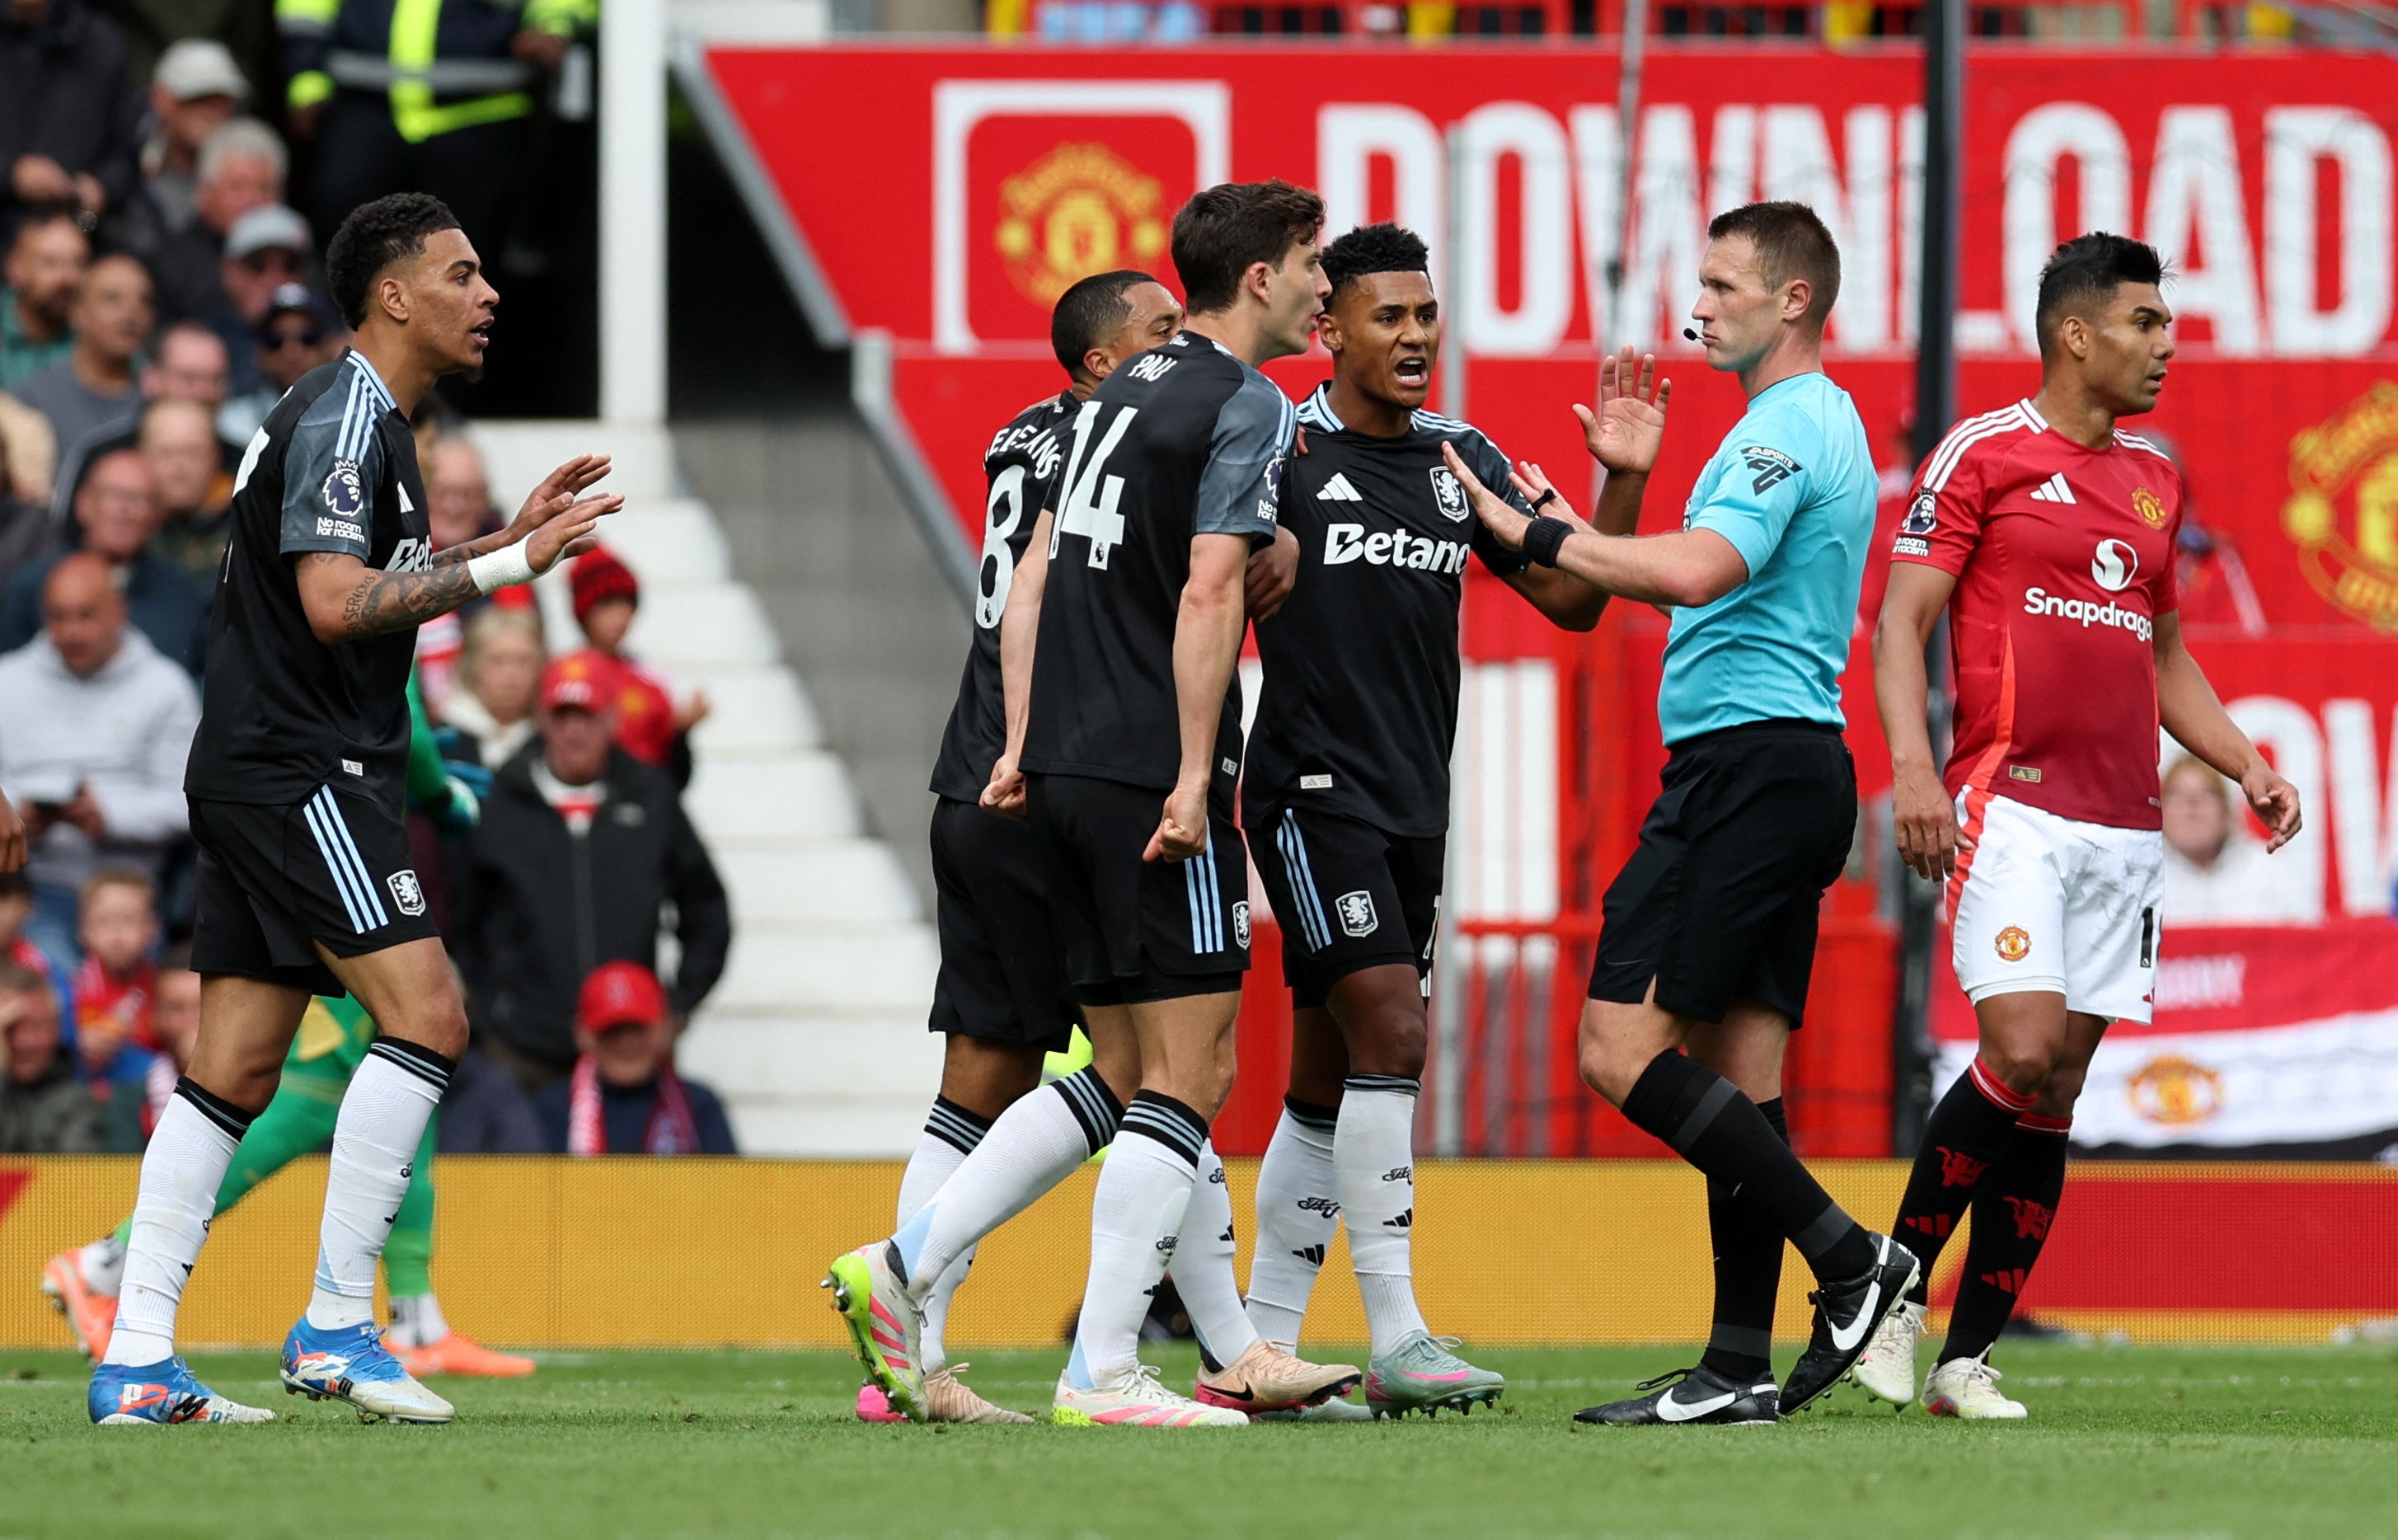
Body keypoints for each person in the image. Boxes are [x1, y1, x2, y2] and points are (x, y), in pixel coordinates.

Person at [85, 190, 617, 1428]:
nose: (488, 296)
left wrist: (498, 537)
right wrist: (506, 565)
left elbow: (348, 587)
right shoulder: (344, 414)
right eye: (462, 273)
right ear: (393, 293)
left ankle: (139, 1355)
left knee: (234, 1066)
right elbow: (334, 603)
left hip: (266, 763)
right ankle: (335, 1325)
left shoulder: (363, 423)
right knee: (428, 1017)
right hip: (303, 770)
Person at [834, 180, 1342, 1431]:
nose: (1323, 284)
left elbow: (1038, 570)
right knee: (1194, 1065)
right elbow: (1211, 591)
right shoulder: (1246, 399)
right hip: (1140, 770)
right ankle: (1099, 1368)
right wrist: (1187, 774)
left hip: (1055, 762)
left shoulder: (1113, 393)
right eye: (1312, 262)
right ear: (1262, 278)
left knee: (1117, 1069)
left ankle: (903, 1273)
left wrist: (1021, 742)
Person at [1443, 200, 1912, 1425]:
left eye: (1720, 284)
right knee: (1741, 1083)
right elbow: (1652, 586)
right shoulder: (1793, 425)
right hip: (1784, 769)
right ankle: (1735, 1367)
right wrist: (1618, 487)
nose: (1695, 304)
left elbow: (1693, 573)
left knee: (1614, 1051)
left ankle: (1854, 1260)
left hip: (1744, 776)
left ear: (1793, 300)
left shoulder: (1788, 427)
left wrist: (1533, 526)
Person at [1853, 232, 2303, 1421]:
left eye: (2164, 324)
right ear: (2075, 334)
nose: (2165, 346)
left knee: (2056, 1094)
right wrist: (1913, 771)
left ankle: (1965, 1360)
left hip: (2124, 833)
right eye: (2144, 323)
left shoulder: (2154, 476)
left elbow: (2163, 658)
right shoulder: (1984, 455)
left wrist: (2246, 764)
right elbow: (1901, 626)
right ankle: (1886, 1300)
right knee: (2016, 1051)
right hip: (2012, 809)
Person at [1239, 223, 1615, 1419]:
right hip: (1308, 796)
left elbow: (1571, 603)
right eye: (1386, 318)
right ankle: (1399, 1335)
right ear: (1327, 329)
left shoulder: (1463, 455)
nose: (1413, 337)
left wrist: (1623, 482)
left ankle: (1261, 1351)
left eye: (1424, 315)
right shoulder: (1280, 446)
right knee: (1394, 1036)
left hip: (1415, 807)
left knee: (1324, 1078)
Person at [834, 270, 1186, 1426]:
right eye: (1159, 336)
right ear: (1100, 366)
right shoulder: (1121, 438)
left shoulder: (1020, 436)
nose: (1179, 352)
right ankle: (1166, 1352)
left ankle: (910, 1367)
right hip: (1054, 770)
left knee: (981, 1082)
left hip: (968, 772)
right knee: (1164, 1066)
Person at [44, 990, 538, 1380]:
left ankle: (416, 1319)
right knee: (366, 1073)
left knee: (415, 1065)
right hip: (332, 886)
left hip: (350, 885)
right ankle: (107, 1261)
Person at [453, 653, 730, 1087]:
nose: (575, 730)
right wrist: (491, 1015)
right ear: (542, 720)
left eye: (589, 715)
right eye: (563, 716)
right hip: (521, 1056)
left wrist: (676, 1006)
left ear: (613, 719)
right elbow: (459, 918)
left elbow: (706, 909)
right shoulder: (499, 800)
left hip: (627, 1054)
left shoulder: (651, 796)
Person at [280, 0, 595, 297]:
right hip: (364, 113)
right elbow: (306, 9)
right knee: (354, 269)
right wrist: (306, 77)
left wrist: (555, 26)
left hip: (480, 118)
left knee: (472, 276)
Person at [0, 551, 199, 969]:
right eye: (58, 616)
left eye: (86, 615)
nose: (71, 631)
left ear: (119, 611)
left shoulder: (165, 688)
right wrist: (17, 812)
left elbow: (189, 801)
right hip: (32, 889)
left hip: (130, 895)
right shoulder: (7, 680)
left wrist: (107, 814)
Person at [0, 449, 210, 676]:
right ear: (83, 503)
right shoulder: (33, 585)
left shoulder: (181, 593)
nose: (124, 510)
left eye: (138, 499)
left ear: (157, 516)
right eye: (113, 495)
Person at [533, 960, 736, 1154]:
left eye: (638, 1029)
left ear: (665, 1030)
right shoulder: (553, 1108)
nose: (627, 1043)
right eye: (612, 1030)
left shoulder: (699, 1106)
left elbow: (730, 1187)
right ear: (583, 1036)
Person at [561, 546, 706, 774]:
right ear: (584, 610)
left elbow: (673, 773)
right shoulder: (563, 677)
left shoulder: (652, 679)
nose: (620, 617)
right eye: (607, 605)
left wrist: (680, 732)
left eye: (627, 604)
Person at [0, 0, 143, 231]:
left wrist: (101, 186)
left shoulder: (102, 46)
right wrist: (11, 173)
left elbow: (128, 148)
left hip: (74, 230)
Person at [140, 116, 285, 331]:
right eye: (238, 187)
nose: (252, 200)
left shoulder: (297, 260)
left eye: (264, 188)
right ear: (203, 193)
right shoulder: (169, 268)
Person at [10, 252, 153, 458]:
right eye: (112, 298)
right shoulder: (32, 402)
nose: (132, 312)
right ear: (78, 312)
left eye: (144, 300)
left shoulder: (159, 398)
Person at [118, 40, 251, 251]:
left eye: (224, 99)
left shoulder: (255, 173)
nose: (213, 110)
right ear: (161, 98)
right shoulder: (120, 164)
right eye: (198, 96)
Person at [2156, 754, 2316, 924]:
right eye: (2178, 795)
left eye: (2207, 793)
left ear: (2227, 810)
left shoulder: (2271, 875)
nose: (2192, 805)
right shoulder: (2144, 880)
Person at [71, 868, 161, 1145]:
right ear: (84, 931)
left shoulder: (163, 987)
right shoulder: (73, 988)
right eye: (103, 922)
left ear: (152, 929)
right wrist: (81, 1043)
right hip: (88, 1102)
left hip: (151, 1100)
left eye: (129, 921)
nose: (116, 933)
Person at [0, 957, 104, 1152]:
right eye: (10, 1029)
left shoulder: (77, 1101)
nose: (25, 1042)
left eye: (37, 1027)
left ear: (57, 1029)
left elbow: (76, 1178)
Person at [218, 281, 341, 444]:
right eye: (275, 341)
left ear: (329, 347)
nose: (292, 353)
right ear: (259, 353)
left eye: (308, 339)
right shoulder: (232, 425)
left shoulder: (357, 419)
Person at [138, 397, 232, 579]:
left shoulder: (248, 521)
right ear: (141, 455)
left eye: (193, 453)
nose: (179, 468)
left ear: (216, 457)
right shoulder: (121, 527)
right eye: (166, 453)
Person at [441, 603, 542, 768]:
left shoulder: (549, 739)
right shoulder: (445, 737)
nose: (511, 674)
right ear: (472, 666)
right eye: (497, 661)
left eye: (524, 661)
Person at [1, 209, 88, 391]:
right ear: (15, 267)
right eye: (51, 263)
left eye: (78, 263)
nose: (68, 278)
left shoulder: (94, 332)